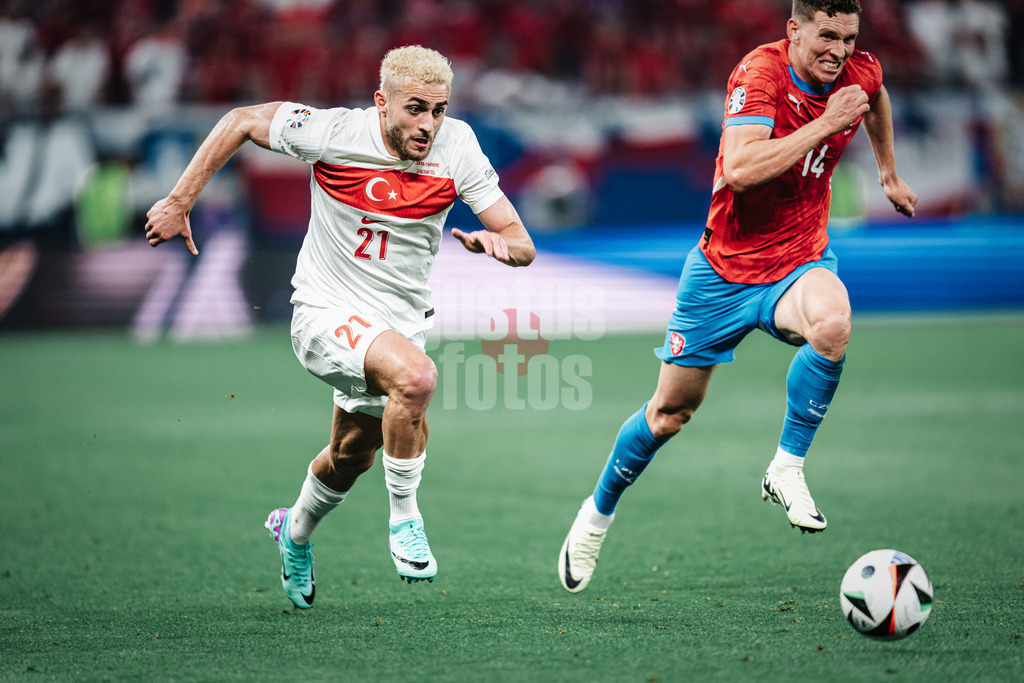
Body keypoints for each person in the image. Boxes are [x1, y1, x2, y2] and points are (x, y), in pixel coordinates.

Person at [145, 45, 535, 608]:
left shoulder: (459, 146)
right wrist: (181, 200)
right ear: (382, 103)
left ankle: (294, 532)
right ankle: (405, 522)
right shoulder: (331, 132)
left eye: (439, 110)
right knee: (417, 380)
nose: (428, 125)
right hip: (323, 313)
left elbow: (522, 243)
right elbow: (240, 121)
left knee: (352, 454)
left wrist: (501, 245)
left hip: (398, 323)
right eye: (415, 109)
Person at [558, 0, 917, 593]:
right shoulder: (760, 74)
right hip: (722, 271)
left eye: (849, 37)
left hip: (799, 261)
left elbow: (874, 96)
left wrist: (888, 172)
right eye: (827, 35)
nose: (839, 50)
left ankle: (787, 467)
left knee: (833, 324)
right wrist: (827, 124)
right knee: (669, 415)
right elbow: (742, 169)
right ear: (794, 29)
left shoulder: (859, 70)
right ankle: (596, 513)